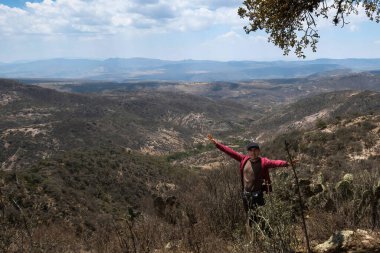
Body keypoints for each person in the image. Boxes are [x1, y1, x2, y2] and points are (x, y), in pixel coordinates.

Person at [207, 134, 294, 228]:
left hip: (258, 195)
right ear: (248, 152)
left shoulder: (264, 162)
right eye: (251, 150)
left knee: (261, 216)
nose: (253, 153)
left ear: (259, 151)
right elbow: (230, 152)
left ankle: (265, 234)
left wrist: (287, 163)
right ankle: (254, 236)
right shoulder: (244, 160)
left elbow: (276, 162)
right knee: (250, 217)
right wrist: (217, 144)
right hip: (246, 195)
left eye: (255, 150)